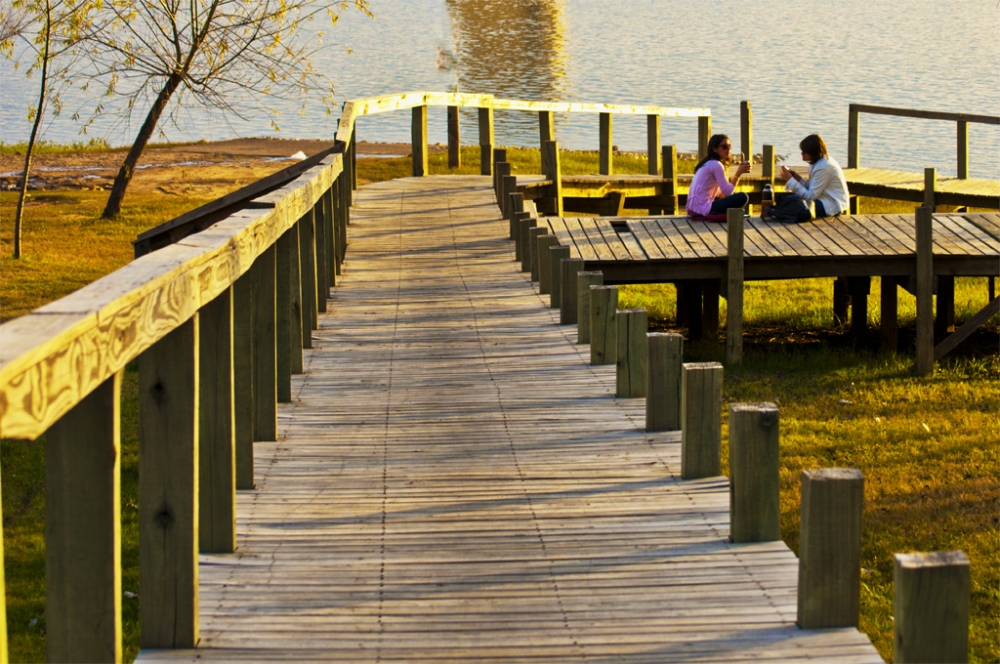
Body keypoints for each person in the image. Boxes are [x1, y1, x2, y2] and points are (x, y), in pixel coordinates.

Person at [771, 134, 850, 220]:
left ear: (813, 152)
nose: (802, 153)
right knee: (786, 200)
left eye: (804, 151)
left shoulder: (824, 167)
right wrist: (798, 179)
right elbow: (813, 188)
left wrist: (790, 180)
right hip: (822, 199)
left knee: (792, 205)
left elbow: (810, 196)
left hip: (831, 205)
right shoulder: (816, 163)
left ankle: (772, 212)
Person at [686, 134, 751, 217]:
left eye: (729, 146)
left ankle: (728, 214)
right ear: (715, 149)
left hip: (694, 208)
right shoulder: (716, 165)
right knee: (743, 197)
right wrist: (738, 173)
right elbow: (727, 192)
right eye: (724, 147)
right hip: (702, 209)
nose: (728, 149)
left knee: (734, 195)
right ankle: (729, 215)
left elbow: (719, 192)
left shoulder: (707, 163)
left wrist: (729, 197)